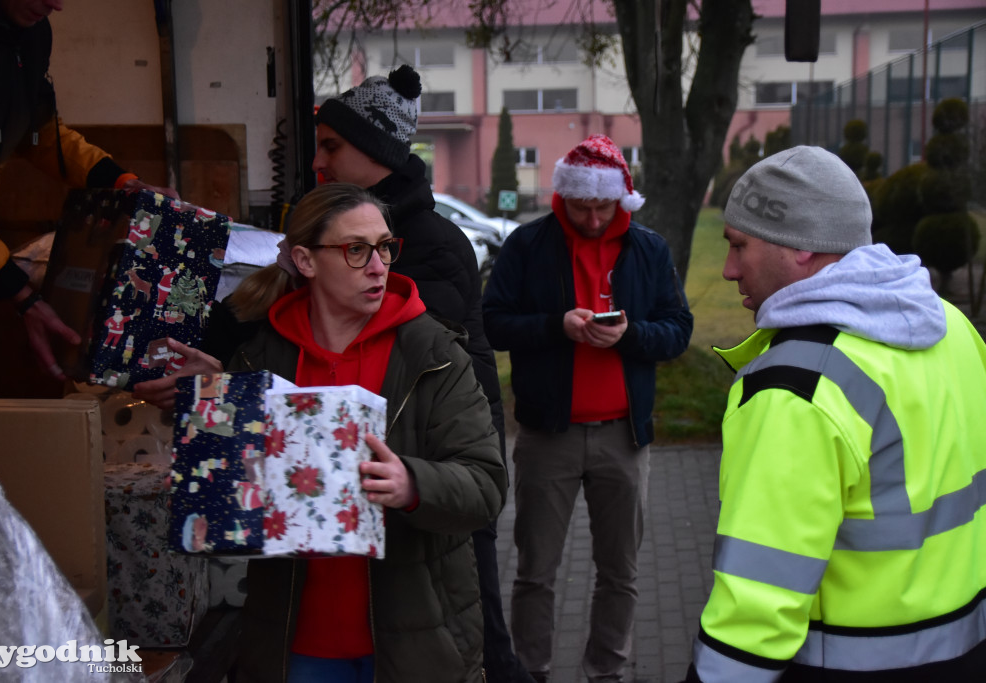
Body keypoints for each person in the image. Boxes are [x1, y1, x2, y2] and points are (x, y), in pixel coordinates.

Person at [685, 146, 986, 681]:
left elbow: (756, 610)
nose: (729, 269)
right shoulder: (953, 327)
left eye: (738, 246)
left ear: (802, 247)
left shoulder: (794, 386)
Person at [188, 183, 505, 681]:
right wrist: (206, 410)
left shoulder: (435, 355)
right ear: (306, 261)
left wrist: (412, 485)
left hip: (416, 644)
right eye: (356, 250)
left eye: (383, 247)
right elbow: (223, 508)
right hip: (295, 646)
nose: (379, 266)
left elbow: (486, 487)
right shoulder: (260, 359)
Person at [310, 64, 533, 683]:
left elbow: (383, 345)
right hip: (393, 468)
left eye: (331, 147)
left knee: (470, 625)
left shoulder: (431, 243)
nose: (318, 162)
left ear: (378, 152)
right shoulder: (390, 233)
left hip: (448, 465)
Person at [482, 134, 694, 682]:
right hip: (546, 433)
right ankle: (531, 670)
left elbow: (678, 331)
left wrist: (629, 336)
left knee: (620, 572)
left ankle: (606, 672)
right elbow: (492, 321)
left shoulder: (649, 249)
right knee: (534, 571)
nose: (594, 217)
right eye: (583, 206)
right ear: (563, 197)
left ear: (622, 199)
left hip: (624, 437)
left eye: (604, 206)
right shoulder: (528, 245)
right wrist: (557, 326)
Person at [0, 0, 175, 380]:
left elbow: (37, 132)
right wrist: (20, 292)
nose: (56, 5)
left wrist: (122, 182)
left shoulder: (30, 31)